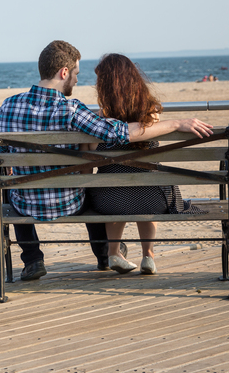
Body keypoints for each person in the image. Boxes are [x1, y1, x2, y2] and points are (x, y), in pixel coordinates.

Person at [0, 40, 213, 281]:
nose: (77, 80)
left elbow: (4, 152)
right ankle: (104, 254)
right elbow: (117, 133)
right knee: (90, 186)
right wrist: (175, 124)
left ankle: (33, 259)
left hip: (25, 204)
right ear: (64, 72)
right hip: (69, 203)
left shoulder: (8, 105)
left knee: (8, 185)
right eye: (76, 74)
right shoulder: (72, 109)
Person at [88, 54, 206, 276]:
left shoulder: (100, 121)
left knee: (114, 185)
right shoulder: (151, 115)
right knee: (147, 186)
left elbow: (90, 161)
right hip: (153, 200)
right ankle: (148, 257)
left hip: (108, 202)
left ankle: (114, 251)